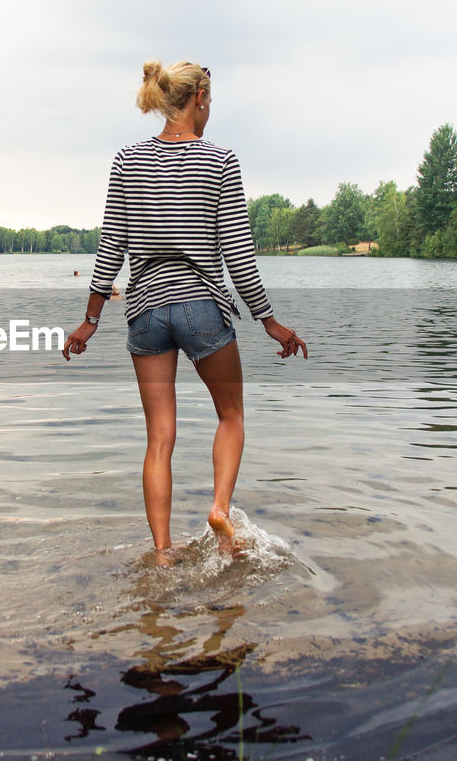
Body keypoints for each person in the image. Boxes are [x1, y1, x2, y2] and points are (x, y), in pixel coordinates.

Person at [62, 59, 307, 560]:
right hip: (201, 307)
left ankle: (162, 551)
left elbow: (111, 247)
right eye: (210, 102)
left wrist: (90, 321)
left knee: (159, 438)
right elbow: (238, 254)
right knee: (232, 415)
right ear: (198, 100)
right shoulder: (220, 160)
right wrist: (269, 321)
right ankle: (219, 507)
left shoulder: (127, 160)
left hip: (146, 311)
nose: (210, 110)